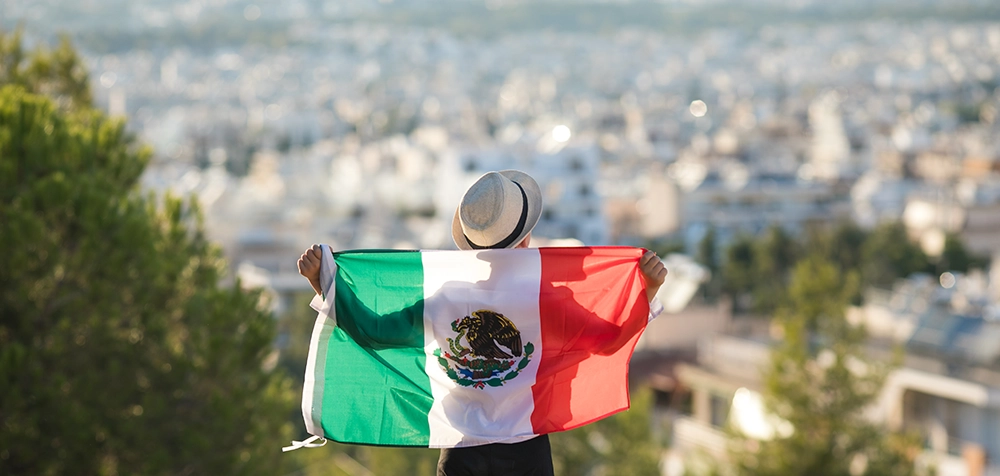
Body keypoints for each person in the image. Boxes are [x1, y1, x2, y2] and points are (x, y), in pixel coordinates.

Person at [298, 170, 667, 476]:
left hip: (461, 453)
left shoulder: (444, 297)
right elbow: (607, 340)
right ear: (525, 241)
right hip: (528, 451)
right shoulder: (549, 300)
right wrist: (645, 290)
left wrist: (325, 283)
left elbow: (375, 331)